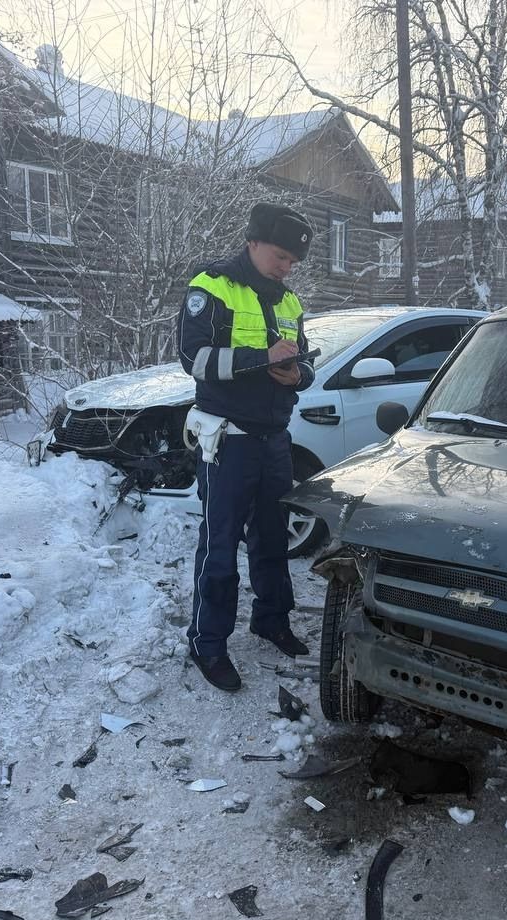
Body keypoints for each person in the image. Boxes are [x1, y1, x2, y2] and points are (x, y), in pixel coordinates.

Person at [176, 202, 317, 691]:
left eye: (293, 262)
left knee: (274, 540)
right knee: (220, 546)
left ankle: (271, 619)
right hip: (228, 439)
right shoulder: (211, 287)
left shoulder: (290, 302)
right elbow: (192, 358)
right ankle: (207, 643)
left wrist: (298, 373)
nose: (286, 267)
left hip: (274, 438)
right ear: (253, 242)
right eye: (280, 256)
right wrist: (261, 360)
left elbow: (305, 365)